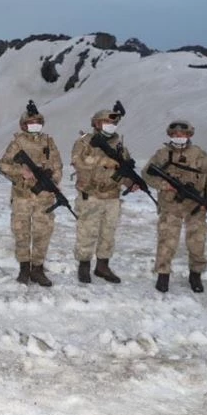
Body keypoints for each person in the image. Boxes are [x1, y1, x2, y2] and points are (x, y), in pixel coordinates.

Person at [142, 120, 207, 293]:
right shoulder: (162, 155)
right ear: (170, 136)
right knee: (167, 241)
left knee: (197, 241)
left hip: (195, 206)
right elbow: (146, 174)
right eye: (175, 135)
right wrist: (164, 185)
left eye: (182, 134)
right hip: (170, 205)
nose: (179, 137)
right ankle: (163, 275)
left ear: (189, 135)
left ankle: (196, 274)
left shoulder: (200, 155)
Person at [0, 100, 63, 287]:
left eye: (38, 122)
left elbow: (58, 166)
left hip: (44, 198)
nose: (35, 126)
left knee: (43, 233)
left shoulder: (49, 143)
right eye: (30, 123)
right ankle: (24, 268)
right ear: (24, 125)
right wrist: (22, 172)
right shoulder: (17, 143)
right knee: (21, 232)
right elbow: (3, 164)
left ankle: (38, 269)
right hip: (22, 197)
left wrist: (54, 181)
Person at [70, 108, 139, 284]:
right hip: (91, 194)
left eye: (114, 123)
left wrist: (131, 183)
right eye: (107, 122)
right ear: (97, 123)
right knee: (87, 231)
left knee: (108, 232)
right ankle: (84, 266)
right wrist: (105, 162)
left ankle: (102, 266)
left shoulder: (119, 145)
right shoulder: (85, 142)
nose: (111, 126)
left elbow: (123, 168)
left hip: (112, 196)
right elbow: (79, 162)